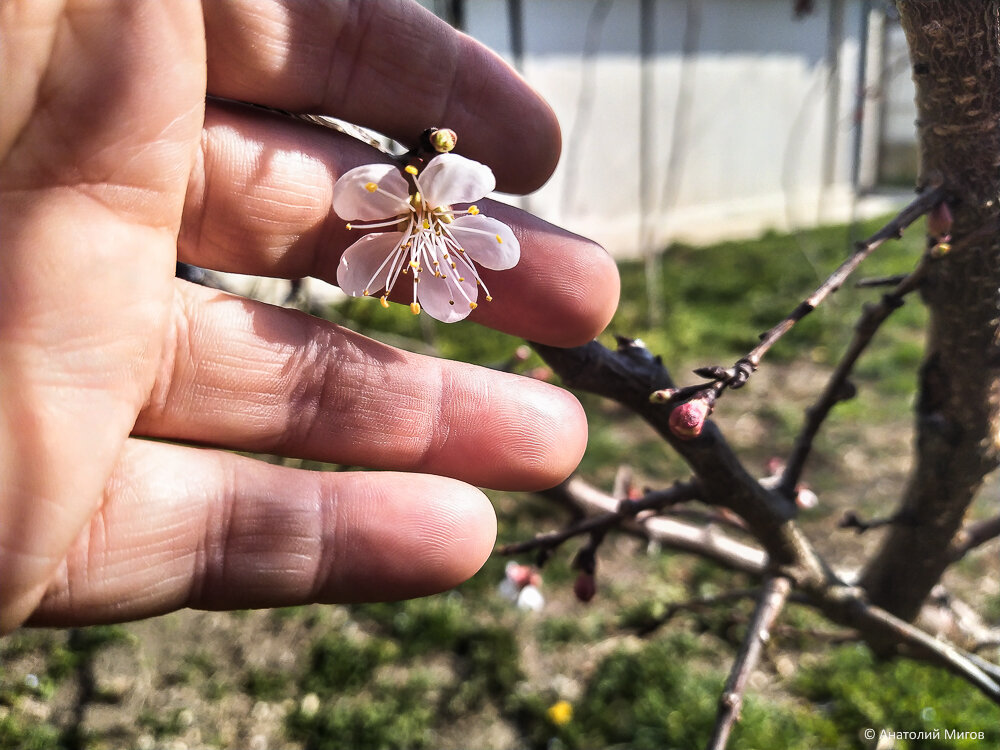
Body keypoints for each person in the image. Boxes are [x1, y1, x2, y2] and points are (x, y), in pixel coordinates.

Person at [0, 0, 619, 633]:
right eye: (421, 216)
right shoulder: (376, 192)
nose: (425, 227)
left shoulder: (439, 202)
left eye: (430, 217)